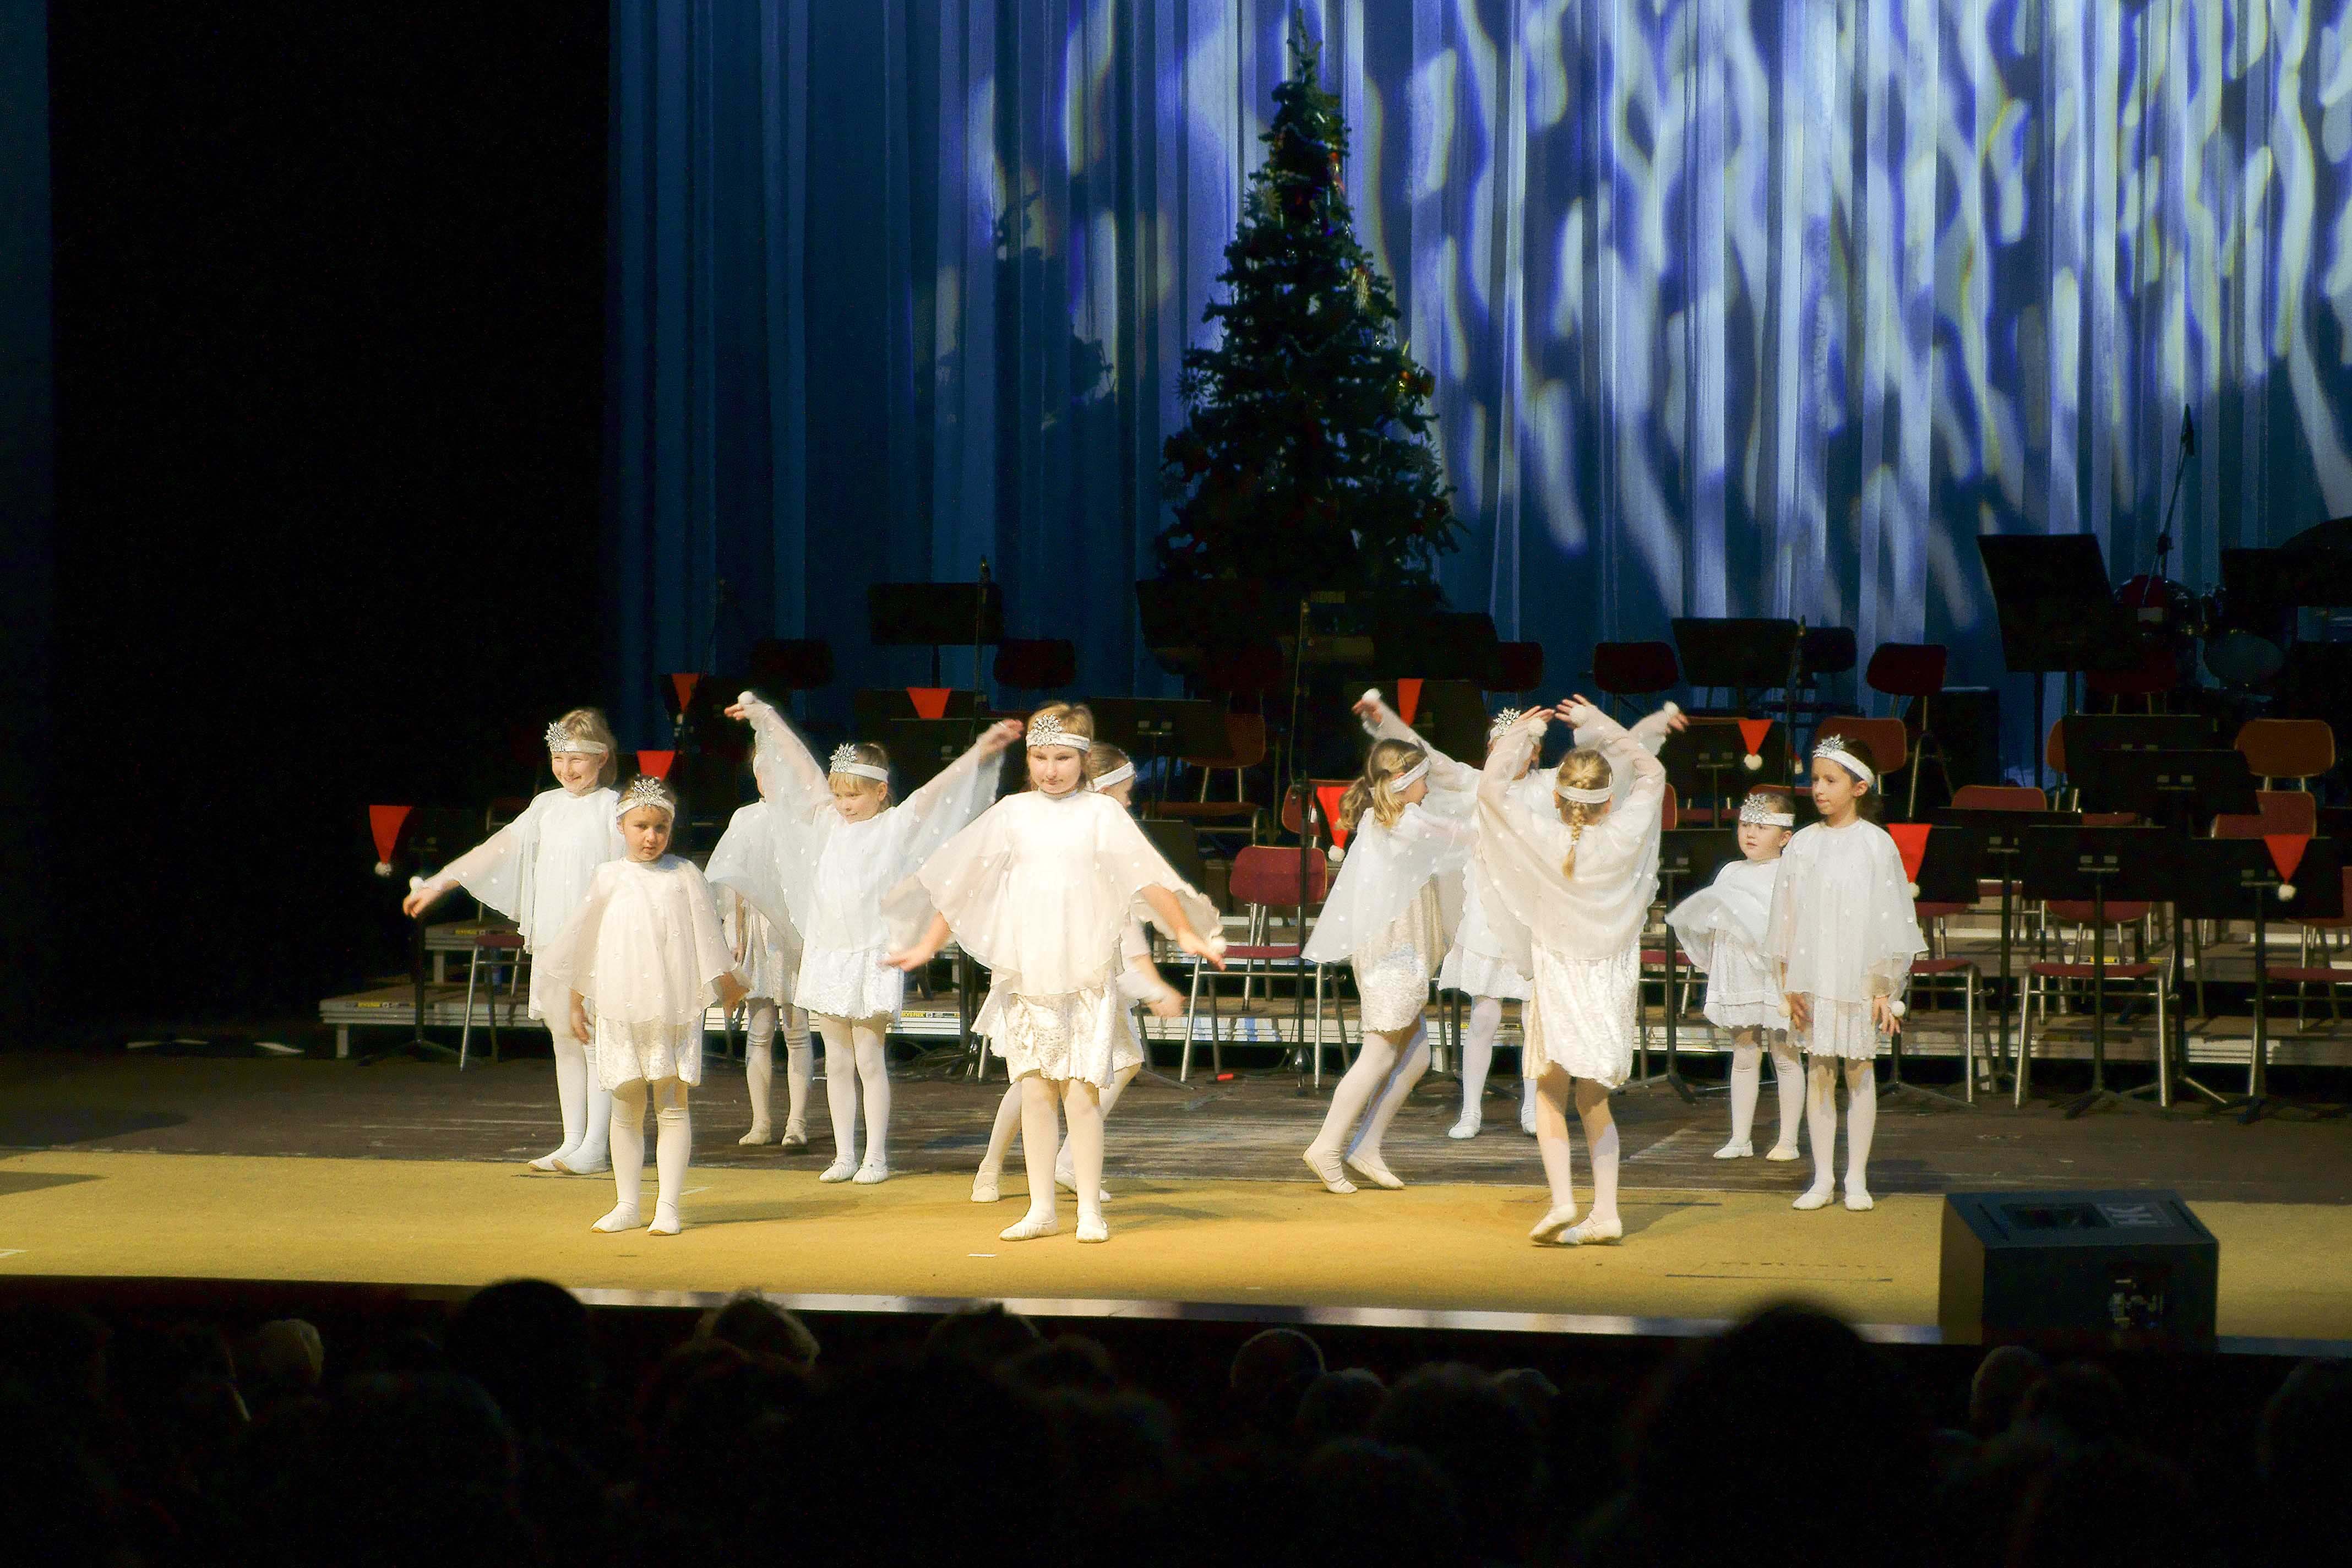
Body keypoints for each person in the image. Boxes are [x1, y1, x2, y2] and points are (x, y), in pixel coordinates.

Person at [886, 704, 1225, 1244]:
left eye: (1063, 758)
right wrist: (927, 943)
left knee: (1082, 1095)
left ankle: (1089, 1210)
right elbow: (962, 881)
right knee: (1036, 1093)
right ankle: (1041, 1207)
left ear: (1084, 759)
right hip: (1028, 973)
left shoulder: (1101, 813)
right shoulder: (1013, 812)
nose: (1051, 770)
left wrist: (1184, 930)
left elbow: (1147, 878)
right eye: (1040, 758)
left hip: (1084, 971)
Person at [722, 693, 1016, 1184]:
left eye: (854, 796)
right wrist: (763, 716)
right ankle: (844, 1155)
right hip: (828, 954)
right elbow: (799, 765)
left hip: (869, 954)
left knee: (868, 1058)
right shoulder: (826, 823)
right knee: (836, 1061)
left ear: (881, 792)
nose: (844, 804)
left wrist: (983, 749)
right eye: (839, 795)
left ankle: (875, 1155)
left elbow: (938, 792)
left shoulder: (894, 826)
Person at [1476, 697, 1684, 1245]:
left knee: (1549, 1091)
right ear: (1608, 799)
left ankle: (1565, 1200)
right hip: (1608, 979)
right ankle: (1606, 1211)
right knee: (1594, 1099)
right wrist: (1600, 725)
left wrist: (1520, 736)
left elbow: (1490, 791)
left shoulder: (1546, 837)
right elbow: (1653, 773)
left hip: (1563, 974)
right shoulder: (1623, 832)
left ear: (1557, 797)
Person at [403, 710, 627, 1174]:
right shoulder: (546, 806)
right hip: (553, 938)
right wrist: (440, 882)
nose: (566, 769)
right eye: (558, 758)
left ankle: (596, 1146)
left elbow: (624, 876)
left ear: (602, 758)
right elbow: (497, 849)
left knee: (593, 1038)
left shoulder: (612, 808)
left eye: (576, 759)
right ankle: (572, 1140)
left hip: (597, 940)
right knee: (564, 1037)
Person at [970, 742, 1186, 1205]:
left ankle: (1068, 1160)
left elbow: (1127, 922)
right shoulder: (1058, 834)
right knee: (1037, 1077)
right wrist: (1152, 986)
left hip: (1094, 974)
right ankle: (993, 1164)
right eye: (1124, 793)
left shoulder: (1104, 838)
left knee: (1119, 1061)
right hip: (1048, 969)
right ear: (1104, 792)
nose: (1129, 802)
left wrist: (1151, 981)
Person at [533, 775, 747, 1234]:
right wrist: (576, 1002)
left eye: (660, 828)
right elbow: (585, 943)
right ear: (622, 827)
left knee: (671, 1105)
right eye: (641, 827)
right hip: (619, 1006)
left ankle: (668, 1207)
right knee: (626, 1108)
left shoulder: (684, 876)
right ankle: (627, 1204)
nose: (651, 837)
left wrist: (729, 985)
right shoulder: (608, 876)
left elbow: (708, 937)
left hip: (671, 1009)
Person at [1298, 711, 1479, 1194]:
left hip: (1402, 953)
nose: (1428, 787)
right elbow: (1463, 835)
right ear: (1403, 782)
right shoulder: (1406, 823)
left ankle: (1367, 1146)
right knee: (1378, 1055)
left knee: (1416, 1057)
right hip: (1393, 956)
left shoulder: (1392, 819)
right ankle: (1327, 1145)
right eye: (1422, 779)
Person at [1355, 698, 1546, 1141]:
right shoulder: (1475, 784)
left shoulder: (1546, 789)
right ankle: (1471, 1109)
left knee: (1535, 1017)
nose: (1509, 757)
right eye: (1500, 748)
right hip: (1488, 914)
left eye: (1521, 748)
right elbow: (1431, 759)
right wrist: (1386, 720)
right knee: (1484, 1014)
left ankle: (1534, 1107)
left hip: (1533, 913)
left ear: (1535, 753)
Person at [1766, 734, 1925, 1212]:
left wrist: (1883, 987)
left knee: (1858, 1070)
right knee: (1819, 1070)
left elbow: (1889, 919)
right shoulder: (1803, 844)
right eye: (1815, 780)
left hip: (1856, 975)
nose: (1818, 789)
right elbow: (1785, 918)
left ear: (1859, 787)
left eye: (1830, 781)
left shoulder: (1876, 845)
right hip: (1815, 976)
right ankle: (1822, 1178)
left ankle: (1856, 1177)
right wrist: (1789, 983)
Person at [1666, 786, 1800, 1160]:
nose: (1751, 834)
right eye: (1745, 825)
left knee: (1785, 1054)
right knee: (1744, 1051)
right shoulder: (1730, 871)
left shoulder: (1790, 873)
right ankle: (1740, 1138)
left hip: (1775, 973)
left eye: (1762, 827)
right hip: (1739, 971)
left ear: (1785, 837)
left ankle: (1788, 1140)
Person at [704, 707, 813, 1148]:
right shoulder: (745, 819)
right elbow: (732, 882)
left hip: (794, 935)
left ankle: (797, 1123)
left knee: (798, 1029)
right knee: (760, 1029)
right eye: (764, 773)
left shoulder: (806, 820)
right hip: (757, 936)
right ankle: (762, 1121)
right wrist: (734, 937)